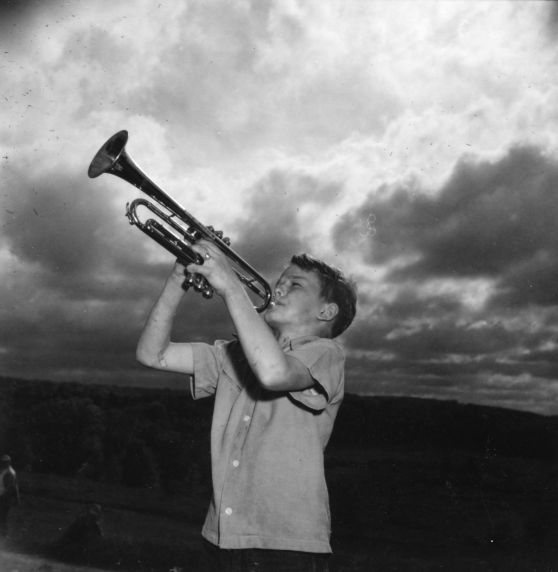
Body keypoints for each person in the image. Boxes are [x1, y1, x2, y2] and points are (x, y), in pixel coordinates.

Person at [136, 239, 357, 572]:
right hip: (222, 536)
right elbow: (153, 354)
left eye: (294, 285)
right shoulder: (235, 356)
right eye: (280, 281)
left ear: (326, 312)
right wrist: (178, 278)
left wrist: (231, 288)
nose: (278, 289)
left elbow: (273, 372)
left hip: (286, 543)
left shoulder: (325, 353)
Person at [0, 454, 20, 538]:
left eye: (5, 462)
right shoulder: (3, 471)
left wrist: (16, 498)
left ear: (9, 462)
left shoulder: (10, 473)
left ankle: (4, 535)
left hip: (4, 498)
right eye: (2, 462)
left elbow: (11, 487)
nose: (3, 464)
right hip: (2, 496)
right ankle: (3, 534)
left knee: (2, 517)